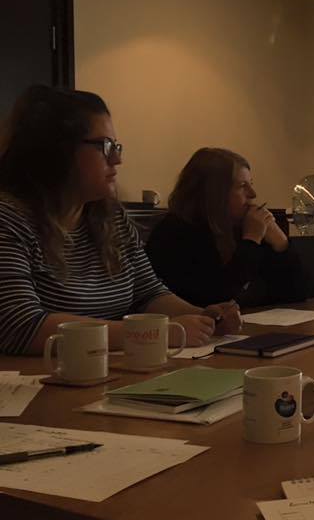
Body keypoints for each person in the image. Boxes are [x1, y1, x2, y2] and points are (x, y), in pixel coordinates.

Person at [0, 85, 241, 355]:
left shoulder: (112, 219)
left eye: (116, 146)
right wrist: (153, 333)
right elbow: (19, 326)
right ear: (58, 150)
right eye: (105, 146)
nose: (117, 159)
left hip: (110, 370)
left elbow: (148, 293)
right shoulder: (8, 219)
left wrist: (203, 316)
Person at [146, 148, 306, 308]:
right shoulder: (176, 232)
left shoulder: (245, 224)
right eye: (242, 186)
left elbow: (297, 293)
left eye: (250, 184)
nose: (253, 194)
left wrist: (281, 244)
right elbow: (216, 297)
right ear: (213, 192)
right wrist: (251, 240)